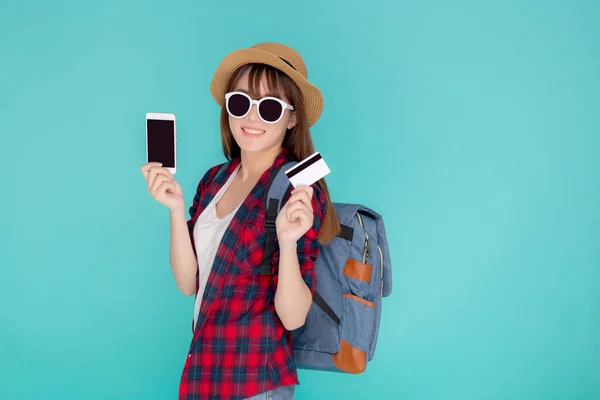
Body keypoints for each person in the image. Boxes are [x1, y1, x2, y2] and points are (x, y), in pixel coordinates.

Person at [140, 42, 340, 400]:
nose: (252, 118)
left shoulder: (298, 191)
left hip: (254, 385)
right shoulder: (215, 179)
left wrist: (289, 241)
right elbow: (189, 284)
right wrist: (174, 208)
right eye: (241, 102)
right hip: (204, 375)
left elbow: (294, 318)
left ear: (292, 118)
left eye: (270, 108)